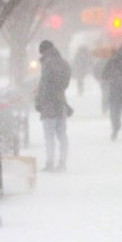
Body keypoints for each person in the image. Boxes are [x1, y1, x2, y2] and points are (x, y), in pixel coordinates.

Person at [35, 40, 72, 172]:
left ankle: (50, 163)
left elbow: (43, 85)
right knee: (62, 135)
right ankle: (62, 162)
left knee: (49, 136)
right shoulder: (63, 62)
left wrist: (38, 102)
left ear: (43, 51)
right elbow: (65, 84)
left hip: (48, 105)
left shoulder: (47, 63)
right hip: (61, 103)